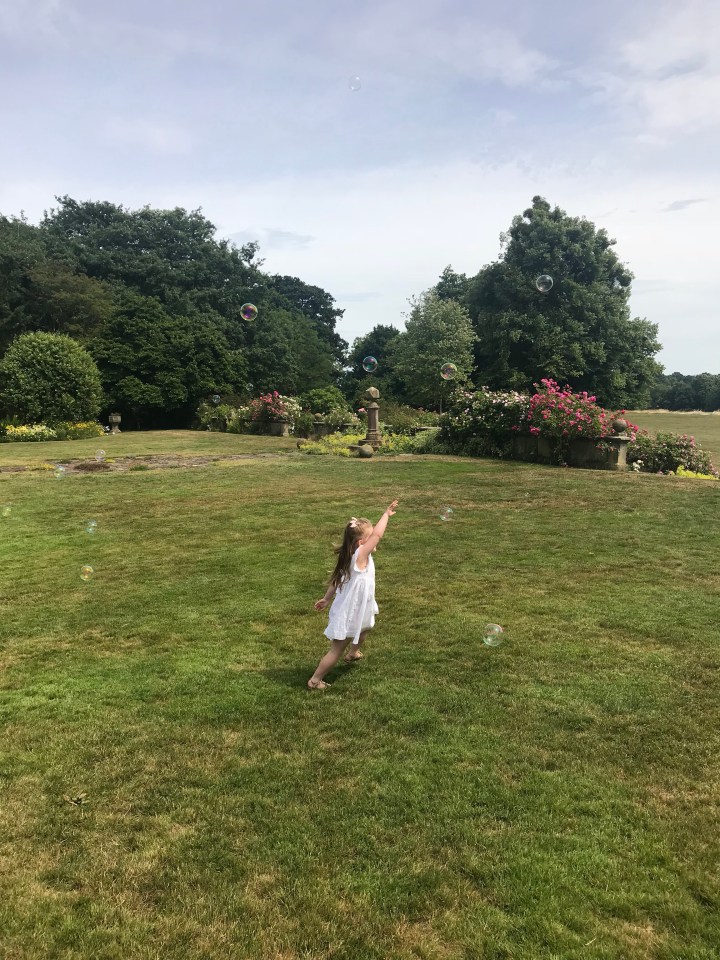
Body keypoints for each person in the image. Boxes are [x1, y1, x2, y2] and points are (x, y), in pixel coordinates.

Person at [308, 499, 399, 690]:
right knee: (336, 650)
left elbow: (336, 581)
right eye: (370, 537)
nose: (375, 539)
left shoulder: (351, 557)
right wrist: (386, 515)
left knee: (365, 628)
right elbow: (378, 534)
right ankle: (315, 680)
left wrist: (326, 599)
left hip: (361, 607)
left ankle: (353, 653)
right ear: (361, 543)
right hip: (350, 612)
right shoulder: (360, 557)